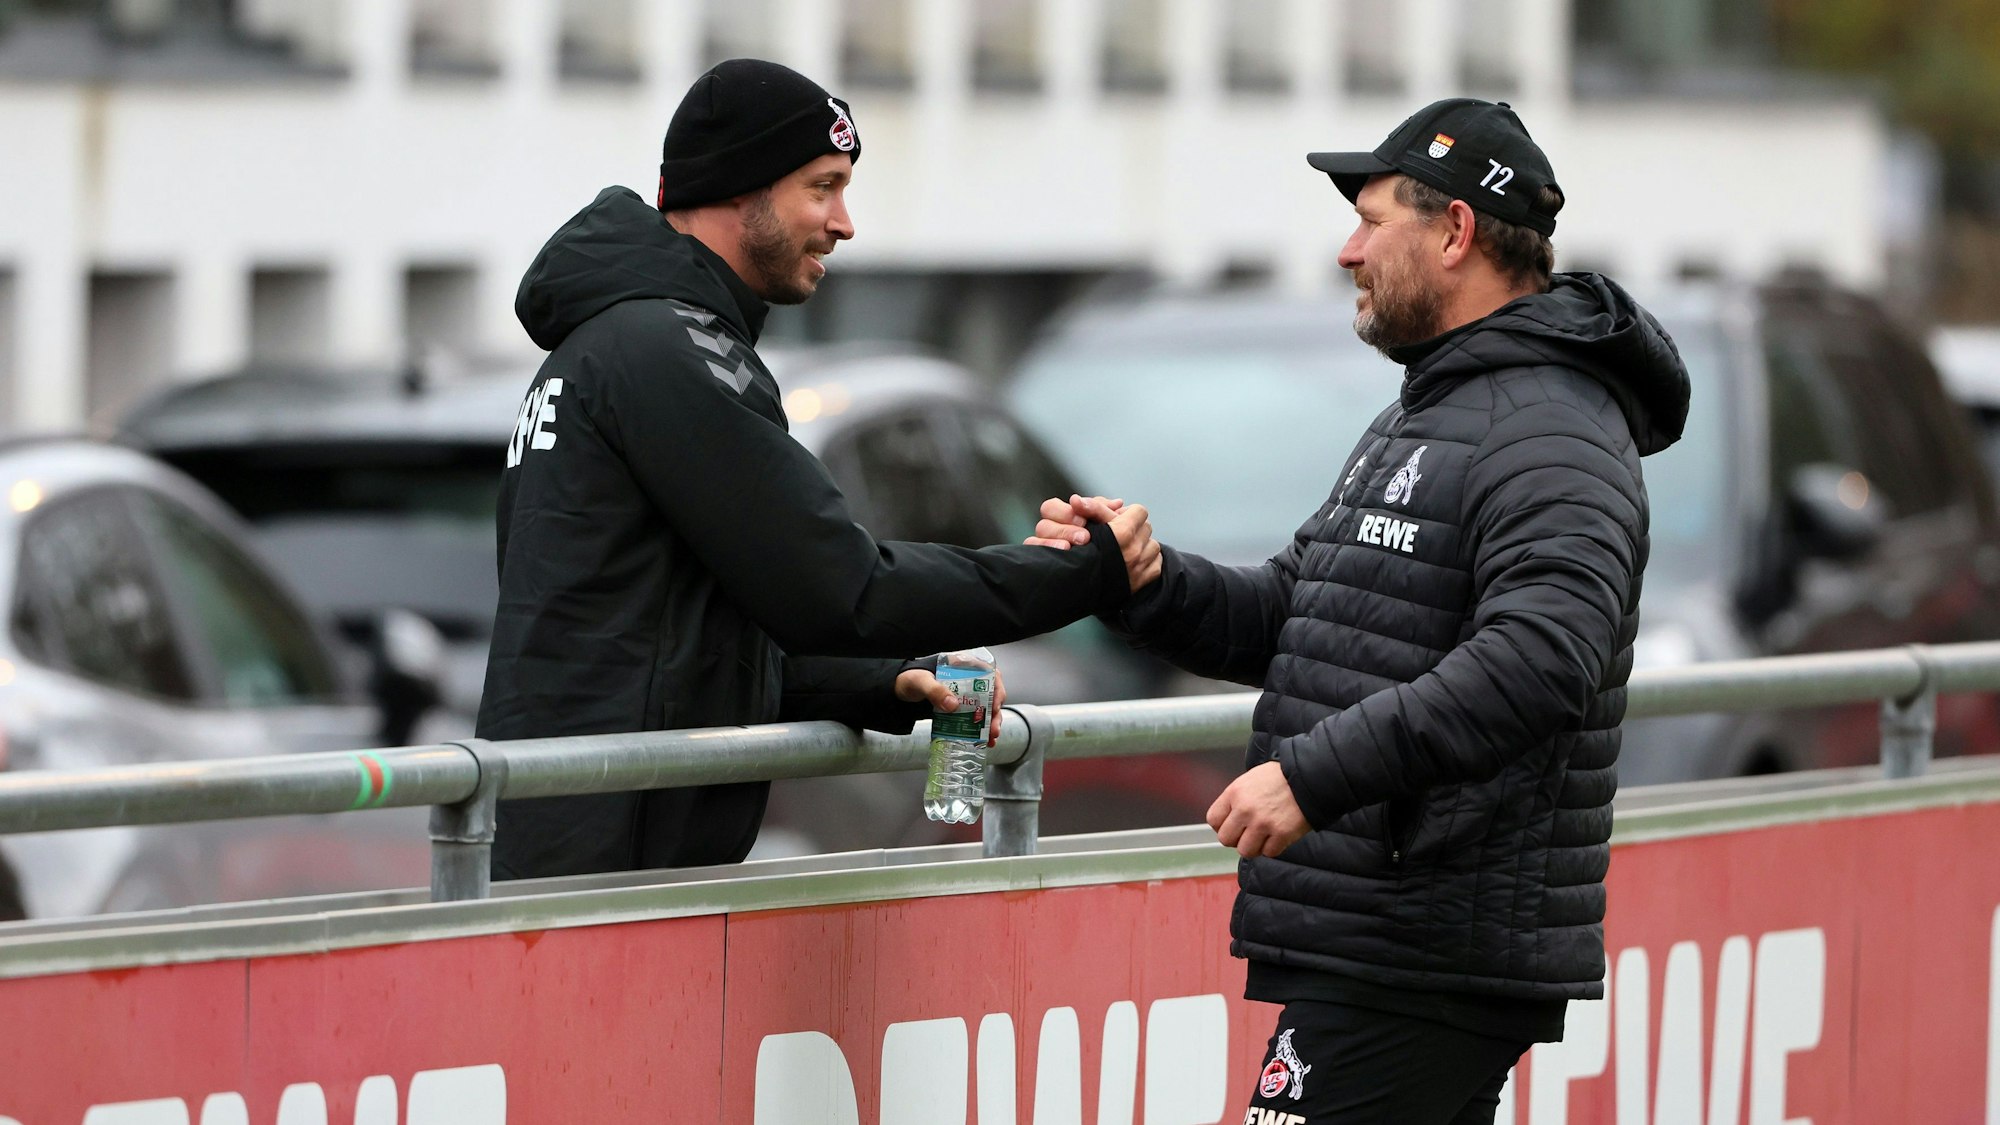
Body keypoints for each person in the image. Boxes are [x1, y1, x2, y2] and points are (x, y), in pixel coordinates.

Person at [1033, 99, 1689, 1122]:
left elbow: (1541, 657)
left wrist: (1310, 776)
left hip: (1424, 946)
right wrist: (1145, 583)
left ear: (1455, 232)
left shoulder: (1548, 425)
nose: (1346, 251)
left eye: (1371, 218)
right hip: (1381, 937)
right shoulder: (1438, 408)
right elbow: (1301, 619)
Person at [479, 58, 1159, 880]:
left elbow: (674, 642)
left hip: (600, 854)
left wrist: (886, 683)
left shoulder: (622, 345)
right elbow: (845, 590)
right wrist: (1079, 572)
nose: (844, 222)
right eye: (822, 186)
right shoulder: (665, 351)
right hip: (608, 877)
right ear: (739, 189)